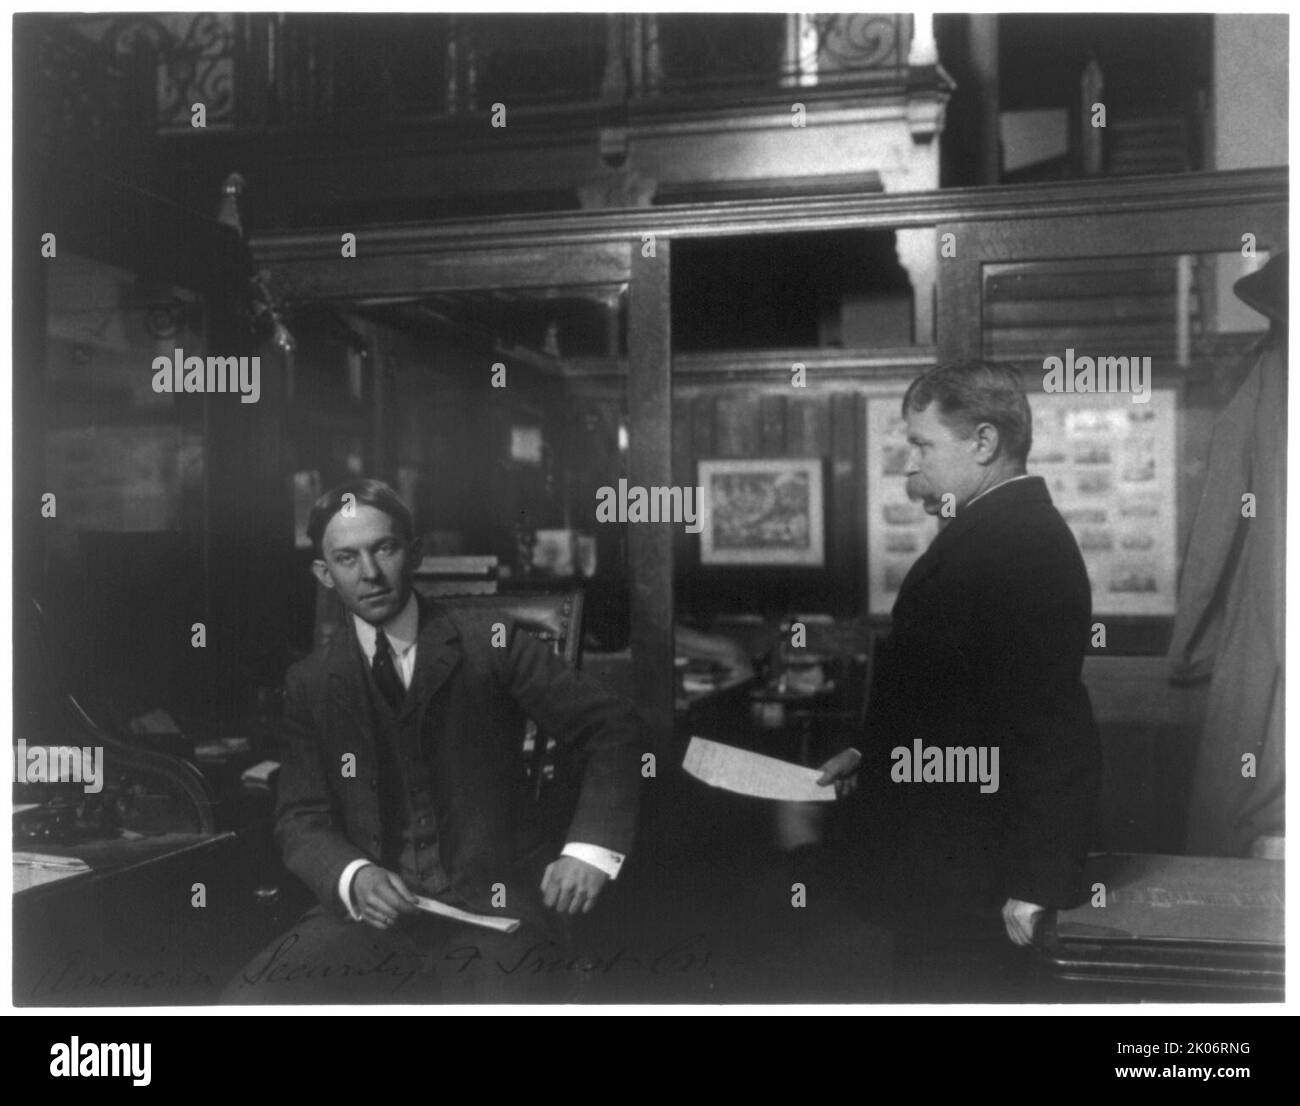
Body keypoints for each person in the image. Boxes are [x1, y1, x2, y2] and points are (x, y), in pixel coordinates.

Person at [223, 479, 642, 1003]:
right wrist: (352, 876)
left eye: (385, 549)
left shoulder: (491, 641)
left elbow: (613, 727)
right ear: (324, 574)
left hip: (495, 914)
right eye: (347, 558)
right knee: (247, 1004)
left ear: (414, 553)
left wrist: (589, 851)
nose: (370, 573)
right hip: (368, 924)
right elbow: (300, 816)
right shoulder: (311, 682)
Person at [817, 361, 1101, 1001]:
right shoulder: (993, 532)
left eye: (922, 444)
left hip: (977, 874)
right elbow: (945, 699)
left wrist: (1037, 884)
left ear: (983, 443)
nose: (910, 465)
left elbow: (1050, 726)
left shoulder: (1015, 544)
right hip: (949, 865)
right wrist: (871, 751)